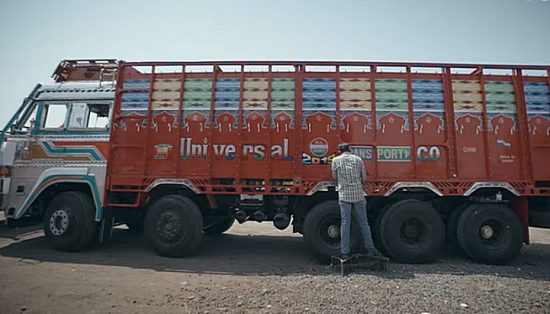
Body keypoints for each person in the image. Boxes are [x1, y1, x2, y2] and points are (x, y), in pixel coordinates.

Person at [331, 143, 381, 259]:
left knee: (345, 223)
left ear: (340, 151)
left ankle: (345, 252)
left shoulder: (335, 161)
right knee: (364, 222)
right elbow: (364, 177)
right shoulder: (358, 159)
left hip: (344, 195)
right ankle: (370, 248)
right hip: (358, 194)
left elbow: (335, 177)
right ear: (350, 150)